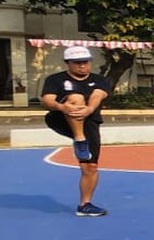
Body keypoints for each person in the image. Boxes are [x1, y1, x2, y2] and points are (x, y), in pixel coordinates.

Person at [40, 46, 111, 217]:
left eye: (85, 62)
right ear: (68, 63)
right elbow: (47, 100)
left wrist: (89, 109)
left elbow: (97, 95)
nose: (82, 66)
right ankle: (79, 139)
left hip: (89, 121)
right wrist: (61, 106)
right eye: (77, 63)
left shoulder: (99, 79)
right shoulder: (55, 79)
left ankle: (85, 204)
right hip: (61, 117)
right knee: (76, 97)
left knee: (91, 166)